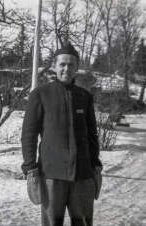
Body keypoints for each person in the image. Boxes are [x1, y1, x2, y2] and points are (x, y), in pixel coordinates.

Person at [21, 43, 102, 226]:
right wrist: (30, 166)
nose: (66, 68)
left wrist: (95, 164)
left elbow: (92, 135)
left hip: (82, 175)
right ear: (54, 66)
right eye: (62, 64)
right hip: (51, 174)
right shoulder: (40, 94)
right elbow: (29, 134)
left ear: (77, 68)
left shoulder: (85, 96)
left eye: (71, 65)